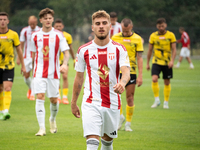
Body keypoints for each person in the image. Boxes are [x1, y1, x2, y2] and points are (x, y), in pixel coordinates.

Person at [71, 10, 130, 150]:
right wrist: (73, 102)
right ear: (93, 27)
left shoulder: (119, 49)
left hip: (113, 102)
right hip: (91, 102)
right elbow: (79, 78)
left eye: (104, 23)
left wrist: (122, 83)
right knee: (92, 141)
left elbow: (126, 71)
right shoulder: (83, 50)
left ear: (110, 26)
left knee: (107, 141)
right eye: (97, 24)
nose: (101, 26)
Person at [31, 8, 69, 136]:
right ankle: (41, 128)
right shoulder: (35, 35)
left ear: (52, 19)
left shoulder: (58, 34)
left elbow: (66, 52)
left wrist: (64, 64)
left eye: (49, 18)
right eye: (45, 18)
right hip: (39, 72)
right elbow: (33, 54)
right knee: (40, 97)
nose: (48, 20)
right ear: (41, 20)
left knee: (53, 100)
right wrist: (32, 69)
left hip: (54, 72)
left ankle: (52, 119)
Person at [112, 18, 143, 132]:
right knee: (115, 96)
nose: (125, 33)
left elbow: (139, 58)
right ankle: (120, 117)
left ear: (131, 27)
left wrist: (140, 75)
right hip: (116, 71)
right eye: (123, 30)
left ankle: (128, 124)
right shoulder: (115, 38)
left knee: (130, 97)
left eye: (127, 30)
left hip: (131, 71)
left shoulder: (137, 39)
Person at [0, 12, 26, 120]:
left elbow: (19, 50)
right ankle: (1, 110)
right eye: (0, 19)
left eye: (4, 19)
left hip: (9, 66)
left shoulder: (13, 34)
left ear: (8, 21)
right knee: (0, 89)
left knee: (7, 88)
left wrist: (23, 65)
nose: (2, 21)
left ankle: (6, 111)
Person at [146, 18, 176, 109]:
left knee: (167, 82)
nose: (161, 28)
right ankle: (157, 100)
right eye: (159, 26)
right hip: (156, 61)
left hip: (167, 62)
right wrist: (147, 63)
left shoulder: (171, 35)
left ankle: (166, 102)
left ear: (165, 25)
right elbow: (150, 50)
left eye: (162, 26)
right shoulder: (153, 36)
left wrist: (172, 61)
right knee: (154, 79)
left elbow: (174, 49)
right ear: (157, 26)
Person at [17, 16, 40, 101]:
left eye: (33, 24)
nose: (32, 25)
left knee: (35, 75)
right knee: (26, 76)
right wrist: (19, 58)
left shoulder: (40, 30)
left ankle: (33, 94)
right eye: (30, 24)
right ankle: (31, 88)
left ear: (36, 22)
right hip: (26, 57)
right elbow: (21, 44)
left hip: (37, 56)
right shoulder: (24, 31)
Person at [54, 18, 76, 104]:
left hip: (64, 60)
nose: (58, 28)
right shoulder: (52, 35)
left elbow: (70, 48)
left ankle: (65, 97)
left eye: (60, 26)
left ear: (63, 26)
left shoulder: (67, 36)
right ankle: (58, 96)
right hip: (55, 61)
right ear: (54, 27)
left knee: (65, 77)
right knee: (57, 79)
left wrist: (74, 59)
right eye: (57, 26)